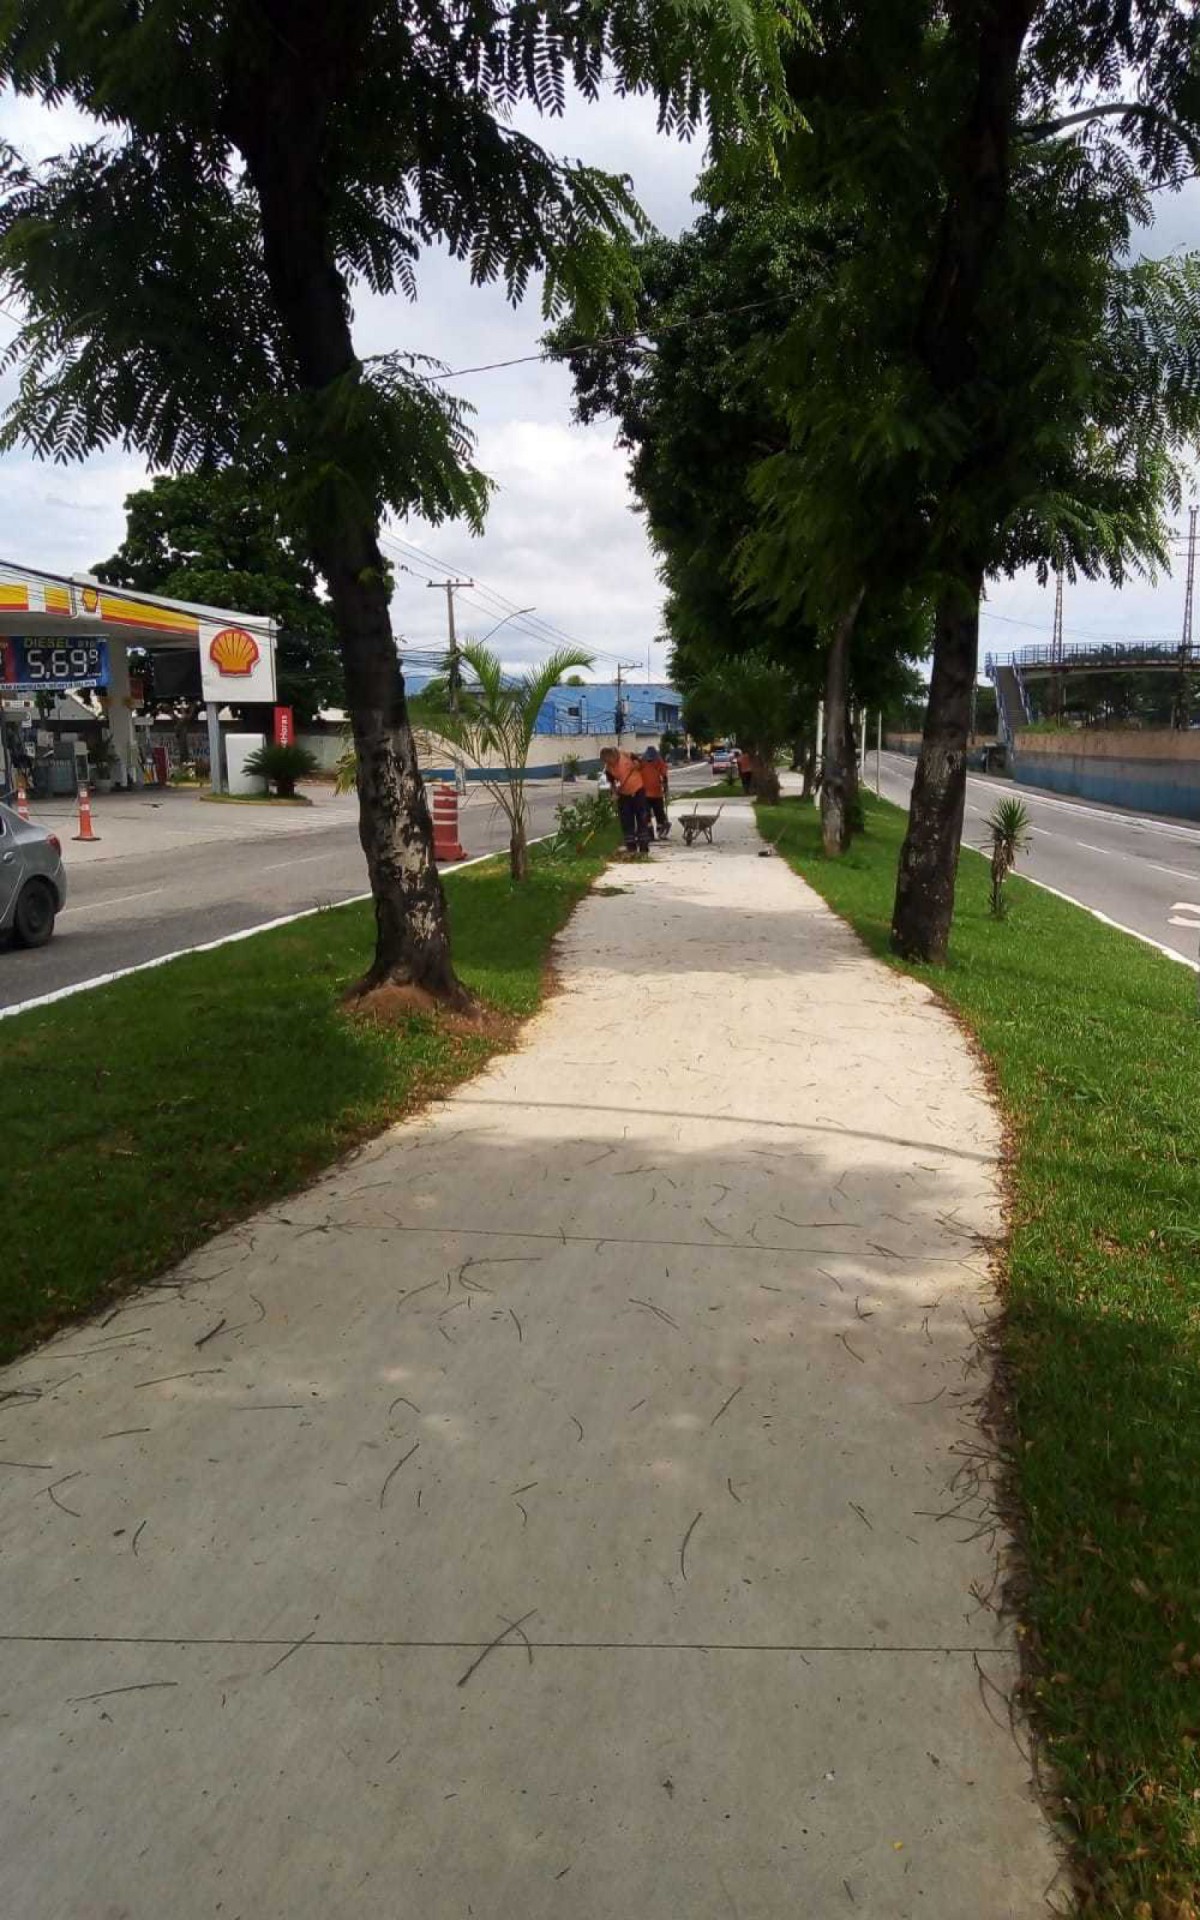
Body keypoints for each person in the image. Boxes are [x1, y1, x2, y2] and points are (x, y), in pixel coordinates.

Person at [599, 746, 651, 855]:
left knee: (642, 818)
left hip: (638, 790)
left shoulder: (626, 754)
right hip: (623, 795)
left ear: (613, 756)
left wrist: (638, 764)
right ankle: (631, 847)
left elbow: (641, 762)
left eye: (609, 761)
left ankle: (643, 847)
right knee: (626, 820)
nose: (609, 764)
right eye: (606, 762)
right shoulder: (608, 768)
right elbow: (612, 782)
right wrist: (614, 793)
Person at [638, 745, 671, 839]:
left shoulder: (642, 762)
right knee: (659, 813)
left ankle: (650, 834)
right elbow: (664, 775)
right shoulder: (658, 761)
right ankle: (660, 831)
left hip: (645, 793)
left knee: (647, 814)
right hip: (656, 793)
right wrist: (665, 787)